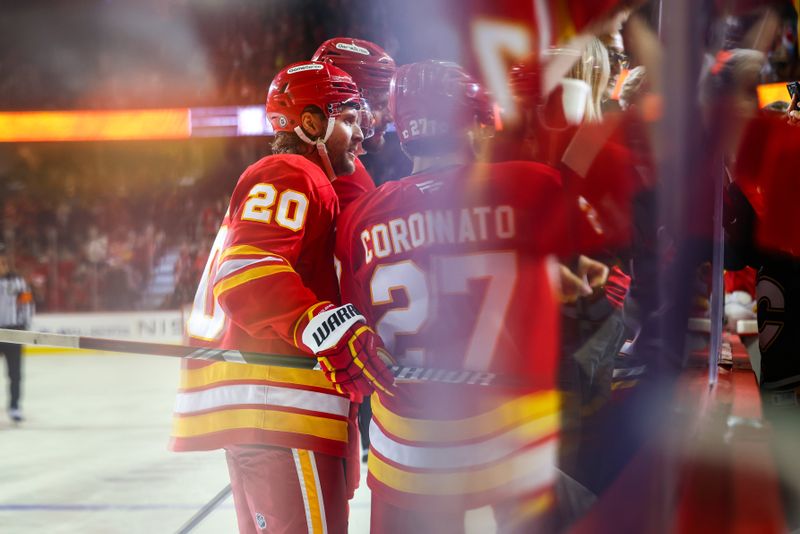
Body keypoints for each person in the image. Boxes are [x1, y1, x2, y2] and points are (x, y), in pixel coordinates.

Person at [336, 59, 571, 533]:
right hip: (506, 443)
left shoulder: (359, 218)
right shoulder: (530, 185)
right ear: (473, 120)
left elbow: (355, 316)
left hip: (407, 453)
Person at [170, 61, 395, 534]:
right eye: (350, 119)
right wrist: (323, 325)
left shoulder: (307, 177)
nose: (360, 134)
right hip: (280, 405)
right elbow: (244, 273)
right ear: (312, 123)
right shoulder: (291, 170)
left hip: (273, 409)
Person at [311, 37, 397, 461]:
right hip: (324, 374)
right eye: (378, 99)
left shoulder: (340, 165)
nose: (384, 114)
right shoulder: (338, 169)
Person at [311, 37, 397, 209]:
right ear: (346, 102)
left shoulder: (317, 160)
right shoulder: (342, 173)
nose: (390, 117)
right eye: (380, 105)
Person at [0, 244, 34, 423]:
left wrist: (24, 326)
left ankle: (14, 406)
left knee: (15, 374)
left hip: (13, 332)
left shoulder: (19, 282)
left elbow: (27, 303)